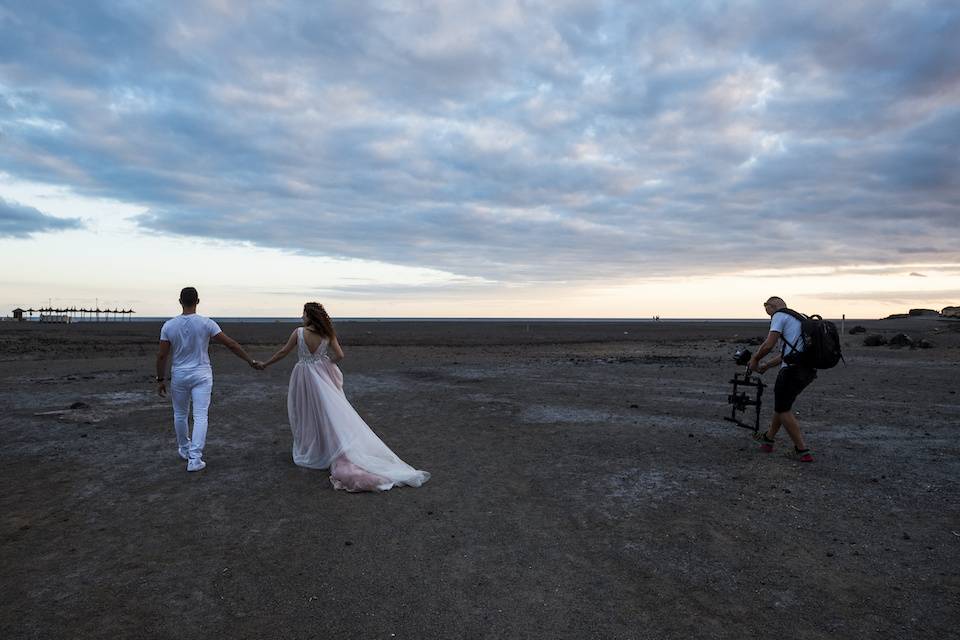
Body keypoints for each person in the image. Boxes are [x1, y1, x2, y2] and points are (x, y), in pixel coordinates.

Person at [257, 302, 430, 492]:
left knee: (307, 412)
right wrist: (325, 363)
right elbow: (340, 355)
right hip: (321, 375)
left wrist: (266, 363)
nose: (301, 317)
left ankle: (316, 448)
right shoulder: (327, 334)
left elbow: (283, 352)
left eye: (303, 314)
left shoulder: (299, 332)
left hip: (304, 376)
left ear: (310, 316)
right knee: (329, 413)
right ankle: (331, 446)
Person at [156, 287, 260, 472]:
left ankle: (184, 449)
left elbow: (162, 356)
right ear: (198, 301)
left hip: (179, 374)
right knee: (200, 415)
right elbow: (231, 343)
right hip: (202, 374)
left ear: (180, 301)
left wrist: (160, 379)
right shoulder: (207, 323)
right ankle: (194, 458)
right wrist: (249, 360)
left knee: (180, 414)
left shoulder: (169, 326)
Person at [747, 296, 816, 462]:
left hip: (792, 371)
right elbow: (787, 353)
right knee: (781, 405)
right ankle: (768, 439)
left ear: (772, 305)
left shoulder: (779, 315)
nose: (769, 315)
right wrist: (766, 366)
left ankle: (802, 451)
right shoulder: (799, 319)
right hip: (807, 370)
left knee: (783, 409)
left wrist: (755, 359)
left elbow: (769, 344)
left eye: (767, 311)